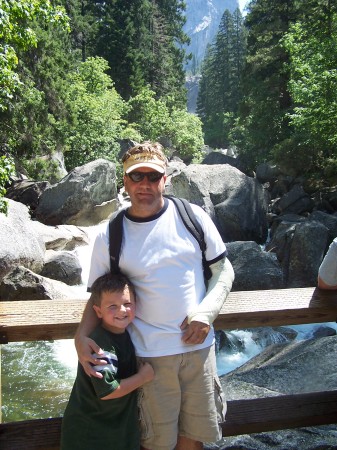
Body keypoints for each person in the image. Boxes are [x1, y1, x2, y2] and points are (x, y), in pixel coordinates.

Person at [75, 141, 235, 450]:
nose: (144, 184)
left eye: (153, 176)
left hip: (200, 350)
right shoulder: (111, 233)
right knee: (156, 442)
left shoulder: (193, 217)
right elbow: (97, 297)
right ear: (125, 181)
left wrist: (205, 314)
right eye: (137, 177)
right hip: (149, 357)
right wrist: (80, 337)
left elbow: (223, 271)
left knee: (193, 438)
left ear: (166, 179)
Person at [61, 272, 154, 450]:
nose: (122, 311)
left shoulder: (122, 334)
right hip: (91, 433)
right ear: (98, 311)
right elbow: (109, 390)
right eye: (112, 306)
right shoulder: (100, 345)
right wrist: (143, 377)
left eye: (127, 304)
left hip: (112, 427)